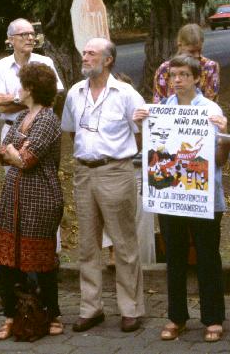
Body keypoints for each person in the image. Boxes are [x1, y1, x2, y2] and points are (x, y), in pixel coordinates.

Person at [133, 55, 230, 343]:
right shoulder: (162, 110)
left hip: (204, 198)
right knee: (174, 258)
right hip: (171, 198)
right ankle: (176, 317)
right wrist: (141, 126)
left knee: (207, 258)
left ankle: (213, 318)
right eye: (172, 75)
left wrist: (225, 135)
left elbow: (219, 160)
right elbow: (149, 153)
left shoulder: (210, 110)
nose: (177, 80)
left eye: (183, 75)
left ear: (196, 78)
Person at [61, 37, 145, 333]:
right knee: (87, 244)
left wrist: (112, 156)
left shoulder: (126, 94)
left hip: (116, 172)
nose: (84, 57)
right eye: (84, 52)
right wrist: (91, 157)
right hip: (84, 172)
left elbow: (141, 135)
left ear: (108, 60)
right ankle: (91, 308)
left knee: (123, 243)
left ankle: (130, 308)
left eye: (91, 53)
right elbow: (73, 133)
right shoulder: (74, 92)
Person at [0, 63, 64, 340]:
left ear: (31, 89)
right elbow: (3, 153)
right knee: (7, 262)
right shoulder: (22, 116)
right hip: (14, 196)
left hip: (41, 198)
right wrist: (15, 152)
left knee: (41, 260)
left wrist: (15, 152)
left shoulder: (47, 119)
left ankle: (52, 313)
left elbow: (26, 159)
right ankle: (12, 315)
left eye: (21, 85)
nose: (17, 90)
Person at [0, 18, 64, 142]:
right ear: (11, 39)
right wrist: (38, 101)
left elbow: (52, 99)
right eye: (24, 34)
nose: (30, 38)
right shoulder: (0, 66)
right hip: (11, 130)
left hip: (41, 129)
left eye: (32, 33)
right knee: (10, 160)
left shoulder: (45, 62)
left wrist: (14, 99)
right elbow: (1, 107)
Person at [152, 24, 220, 104]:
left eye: (199, 50)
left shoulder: (209, 67)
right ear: (180, 45)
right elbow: (158, 102)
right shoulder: (165, 69)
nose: (197, 55)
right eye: (191, 51)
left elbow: (211, 101)